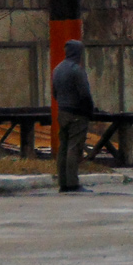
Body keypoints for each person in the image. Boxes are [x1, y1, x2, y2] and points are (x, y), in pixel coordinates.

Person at [51, 39, 96, 193]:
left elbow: (54, 93)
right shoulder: (77, 70)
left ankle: (63, 183)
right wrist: (90, 110)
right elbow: (84, 94)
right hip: (77, 113)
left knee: (63, 146)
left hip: (62, 112)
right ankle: (72, 183)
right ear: (78, 53)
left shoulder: (57, 70)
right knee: (73, 147)